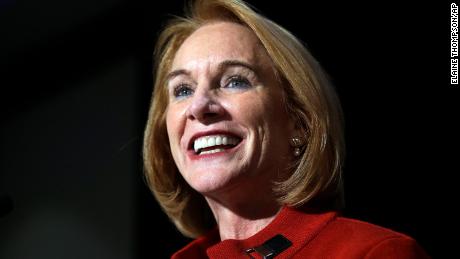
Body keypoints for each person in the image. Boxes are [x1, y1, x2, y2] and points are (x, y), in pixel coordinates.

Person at [143, 0, 430, 258]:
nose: (198, 106)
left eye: (235, 81)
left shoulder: (374, 253)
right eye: (182, 89)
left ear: (299, 122)